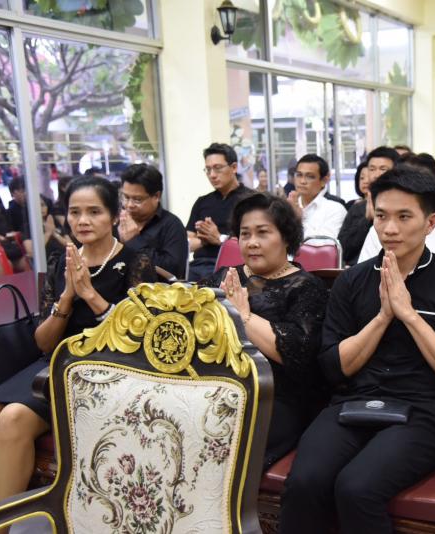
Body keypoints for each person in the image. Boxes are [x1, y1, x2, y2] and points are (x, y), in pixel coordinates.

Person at [280, 168, 435, 534]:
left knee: (357, 488)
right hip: (352, 403)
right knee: (305, 482)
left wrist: (408, 315)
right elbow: (333, 368)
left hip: (423, 411)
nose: (390, 229)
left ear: (430, 223)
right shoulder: (352, 280)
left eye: (404, 217)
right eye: (382, 216)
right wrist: (382, 317)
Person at [0, 177, 155, 514]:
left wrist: (89, 293)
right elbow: (43, 341)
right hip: (56, 362)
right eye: (75, 212)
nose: (82, 220)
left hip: (107, 367)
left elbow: (138, 338)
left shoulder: (136, 262)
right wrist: (67, 295)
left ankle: (0, 524)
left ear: (114, 216)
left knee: (14, 417)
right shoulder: (61, 262)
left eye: (94, 212)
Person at [200, 192, 327, 468]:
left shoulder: (306, 287)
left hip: (273, 396)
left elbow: (296, 354)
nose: (252, 242)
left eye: (263, 233)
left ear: (286, 237)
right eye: (245, 234)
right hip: (215, 386)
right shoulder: (225, 276)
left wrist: (242, 316)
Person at [186, 142, 251, 281]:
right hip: (198, 266)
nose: (212, 175)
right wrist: (205, 240)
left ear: (234, 167)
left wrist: (219, 238)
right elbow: (187, 243)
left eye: (217, 168)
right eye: (208, 169)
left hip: (234, 267)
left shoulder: (251, 200)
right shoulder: (202, 202)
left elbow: (253, 242)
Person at [117, 163, 188, 281]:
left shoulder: (172, 225)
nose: (129, 205)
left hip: (156, 290)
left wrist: (134, 241)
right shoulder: (117, 221)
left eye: (137, 199)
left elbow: (172, 271)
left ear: (156, 196)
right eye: (126, 197)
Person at [338, 148, 399, 265]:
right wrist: (367, 220)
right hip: (359, 269)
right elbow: (343, 250)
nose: (376, 175)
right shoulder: (357, 208)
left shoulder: (404, 206)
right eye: (372, 169)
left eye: (383, 169)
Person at [288, 154, 346, 242]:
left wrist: (298, 220)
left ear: (324, 181)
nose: (302, 181)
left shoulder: (335, 209)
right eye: (299, 175)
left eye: (310, 176)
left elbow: (323, 245)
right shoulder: (288, 207)